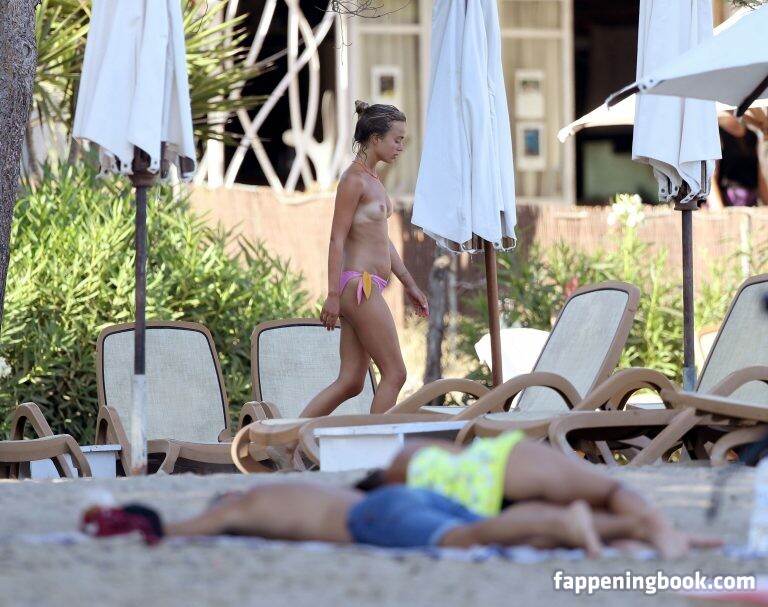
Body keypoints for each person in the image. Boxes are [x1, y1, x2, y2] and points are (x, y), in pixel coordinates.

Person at [361, 431, 721, 559]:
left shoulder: (400, 514)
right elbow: (461, 452)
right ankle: (661, 531)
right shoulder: (405, 457)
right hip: (497, 465)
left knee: (576, 525)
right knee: (609, 490)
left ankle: (646, 535)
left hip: (489, 513)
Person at [302, 101, 429, 417]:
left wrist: (409, 284)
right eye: (396, 139)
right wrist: (332, 295)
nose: (401, 147)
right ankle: (375, 443)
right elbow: (336, 238)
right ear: (375, 138)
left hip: (365, 287)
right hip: (360, 287)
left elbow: (382, 240)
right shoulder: (354, 180)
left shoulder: (373, 179)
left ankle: (287, 437)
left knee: (351, 382)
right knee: (396, 373)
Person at [81, 482, 606, 555]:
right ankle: (619, 530)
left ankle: (564, 525)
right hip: (399, 497)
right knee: (485, 527)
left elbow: (167, 531)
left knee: (466, 537)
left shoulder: (240, 507)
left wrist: (122, 518)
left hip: (373, 518)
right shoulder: (284, 491)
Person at [707, 111, 768, 210]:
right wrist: (719, 211)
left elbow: (759, 177)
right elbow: (710, 179)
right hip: (727, 205)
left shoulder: (752, 136)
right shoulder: (716, 133)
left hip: (751, 206)